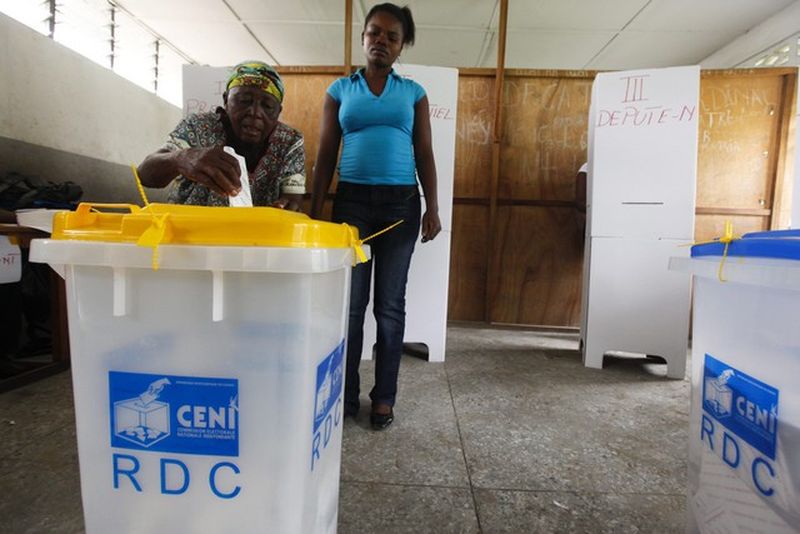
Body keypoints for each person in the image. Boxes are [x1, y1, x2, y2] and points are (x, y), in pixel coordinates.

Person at [311, 3, 441, 430]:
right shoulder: (339, 91)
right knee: (351, 308)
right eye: (374, 33)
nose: (381, 41)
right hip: (351, 206)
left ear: (401, 46)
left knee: (389, 307)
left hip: (401, 206)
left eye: (391, 36)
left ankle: (383, 398)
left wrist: (433, 207)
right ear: (363, 38)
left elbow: (424, 152)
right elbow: (327, 154)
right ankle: (345, 396)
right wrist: (315, 212)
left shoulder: (414, 94)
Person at [138, 61, 305, 210]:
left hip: (256, 238)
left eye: (267, 106)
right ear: (226, 100)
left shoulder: (290, 142)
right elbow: (145, 175)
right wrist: (181, 158)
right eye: (244, 101)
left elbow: (292, 200)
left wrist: (285, 208)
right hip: (191, 233)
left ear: (278, 112)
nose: (254, 113)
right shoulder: (197, 127)